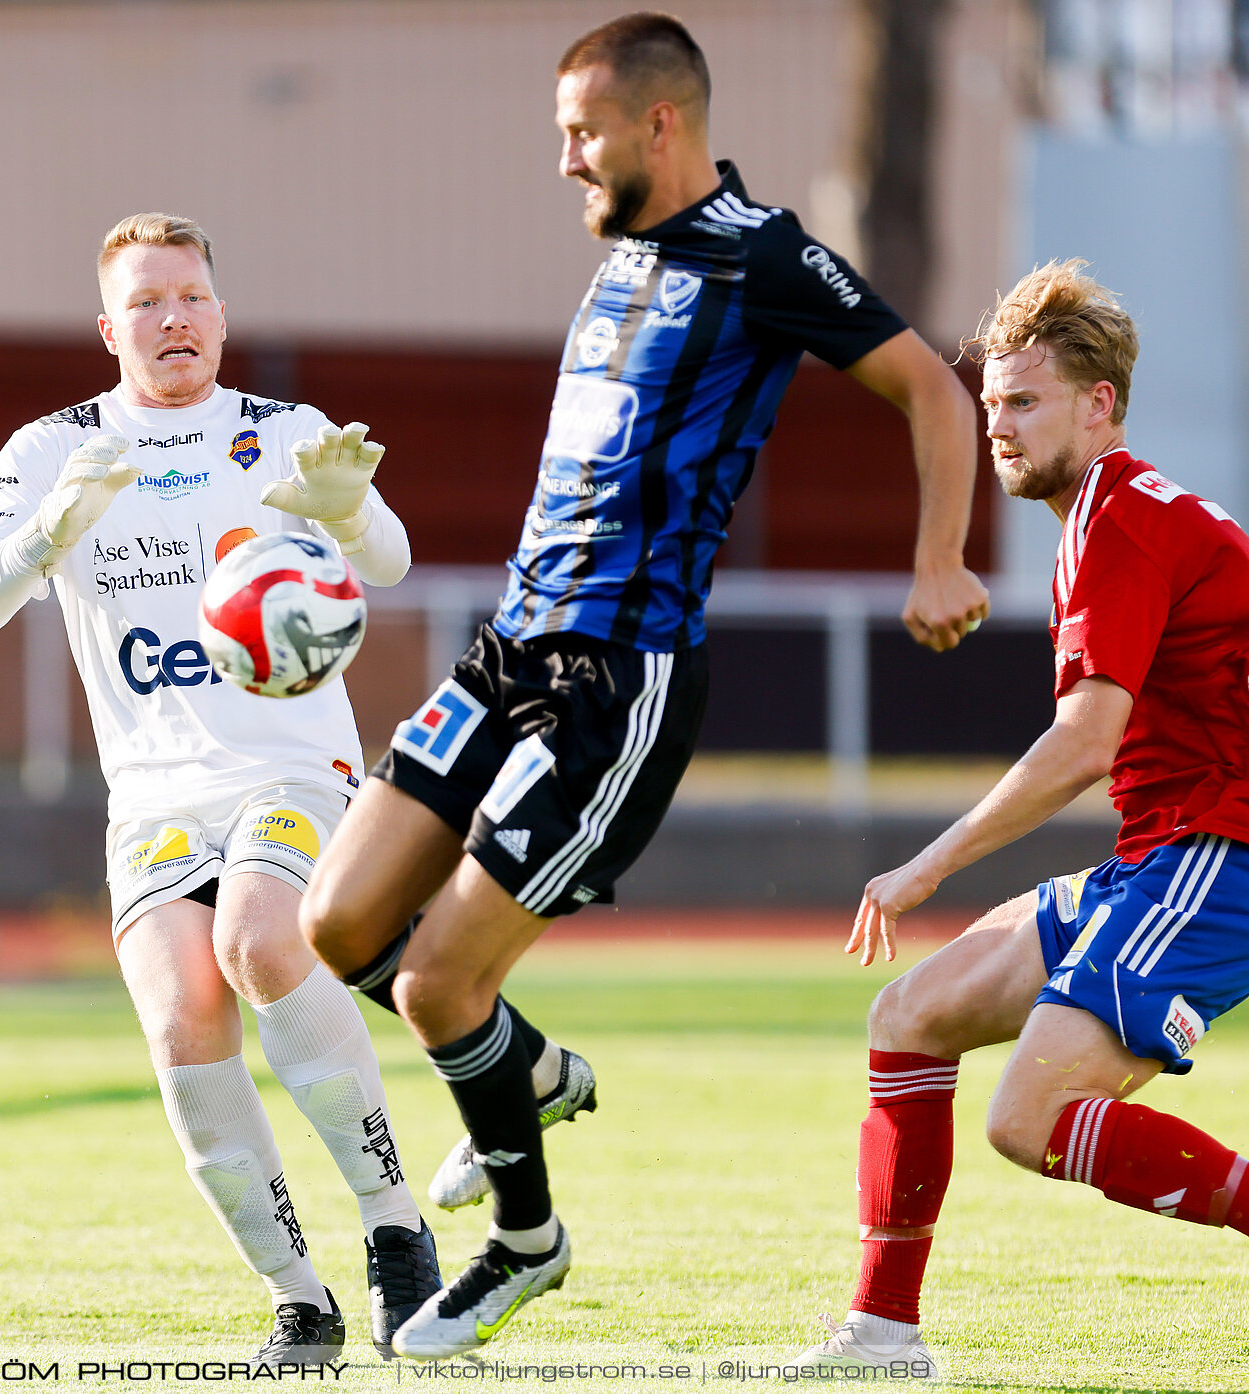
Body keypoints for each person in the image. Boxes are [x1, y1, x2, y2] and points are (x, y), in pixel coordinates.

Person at [297, 11, 990, 1361]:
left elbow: (933, 390)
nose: (564, 158)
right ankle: (533, 1073)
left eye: (581, 131)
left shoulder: (766, 256)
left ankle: (523, 1242)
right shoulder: (620, 263)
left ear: (658, 124)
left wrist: (938, 557)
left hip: (622, 678)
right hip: (510, 645)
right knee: (337, 920)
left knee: (440, 986)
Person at [0, 213, 441, 1361]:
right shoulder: (48, 450)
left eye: (194, 297)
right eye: (148, 301)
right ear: (109, 326)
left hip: (291, 764)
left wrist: (345, 509)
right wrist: (50, 533)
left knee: (265, 940)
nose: (175, 319)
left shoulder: (285, 432)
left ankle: (393, 1225)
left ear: (220, 311)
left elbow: (392, 561)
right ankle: (298, 1298)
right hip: (155, 793)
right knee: (183, 1020)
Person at [804, 260, 1249, 1377]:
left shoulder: (1117, 518)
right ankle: (882, 1335)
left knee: (1032, 1117)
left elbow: (1084, 745)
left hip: (1220, 851)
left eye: (1024, 401)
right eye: (991, 402)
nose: (997, 425)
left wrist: (927, 863)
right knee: (911, 1012)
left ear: (1100, 405)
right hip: (1165, 851)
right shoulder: (1111, 513)